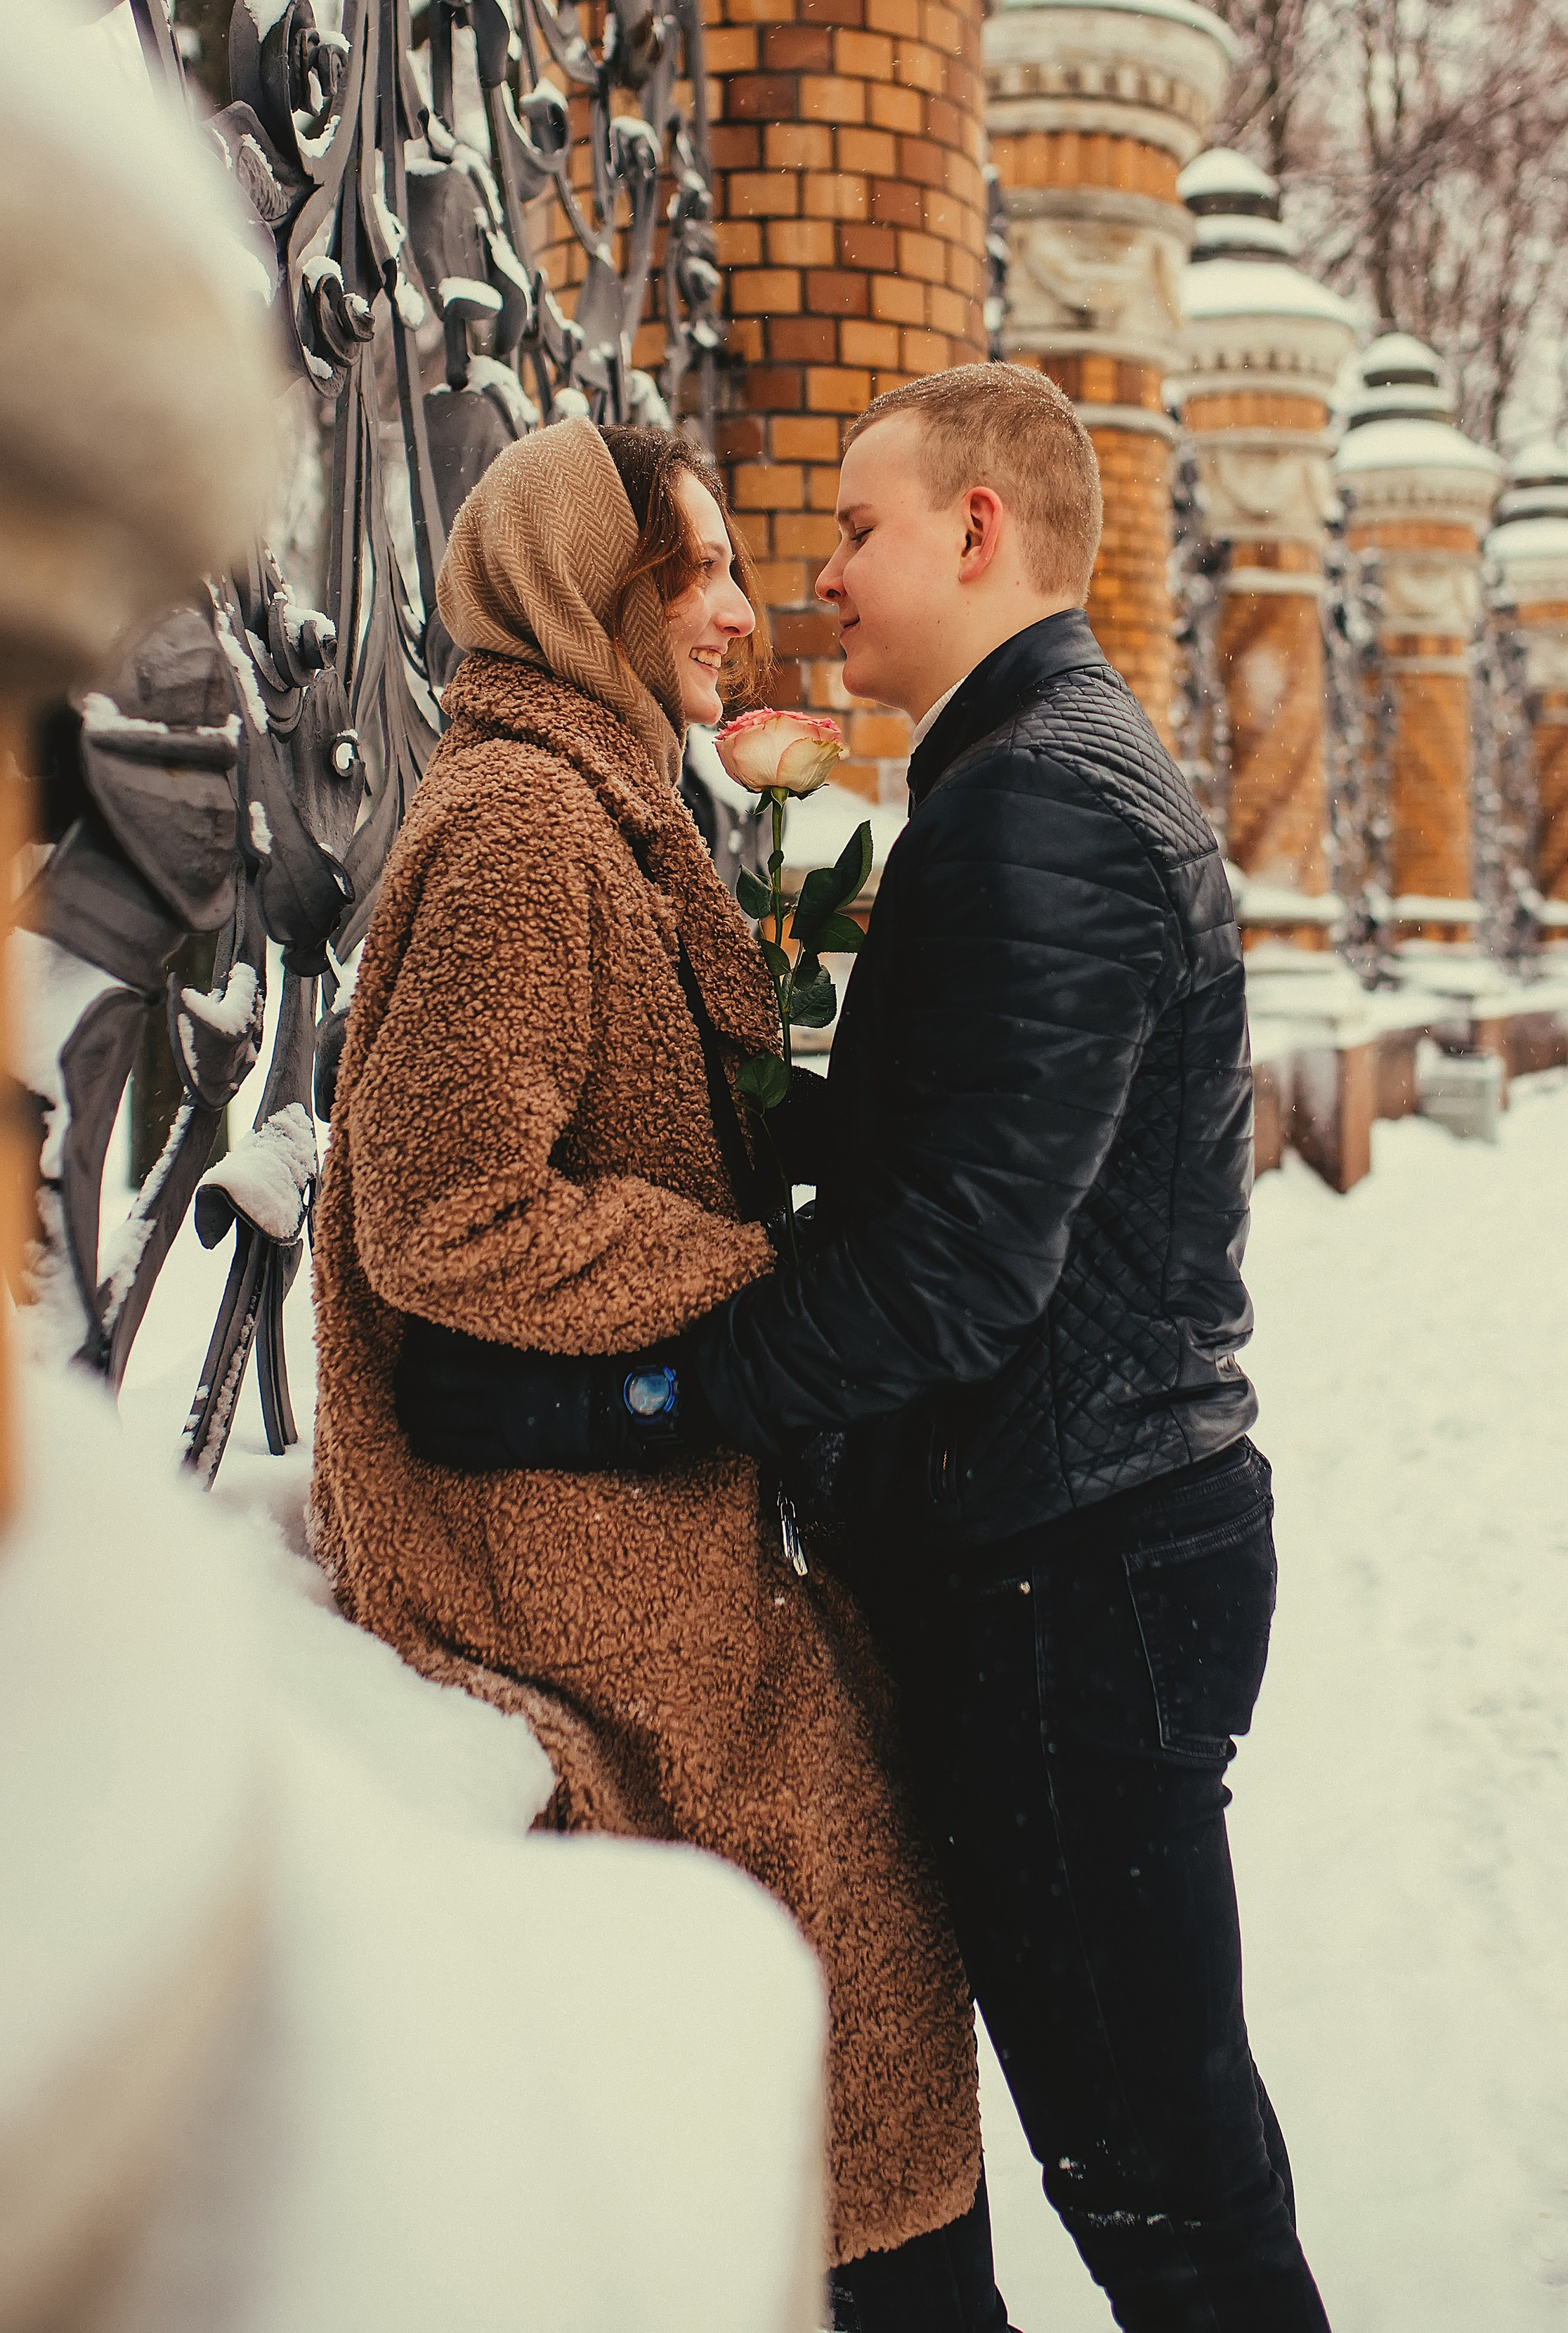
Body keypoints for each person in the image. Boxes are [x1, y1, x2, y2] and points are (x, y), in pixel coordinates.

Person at [624, 364, 1334, 2329]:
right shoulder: (1027, 778)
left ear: (975, 529)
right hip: (1075, 1542)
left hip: (1073, 1572)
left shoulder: (1044, 808)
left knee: (1170, 2199)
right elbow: (963, 1147)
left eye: (857, 528)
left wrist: (647, 1396)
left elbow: (954, 1269)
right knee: (1160, 2167)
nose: (821, 577)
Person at [308, 416, 1014, 2331]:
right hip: (551, 1551)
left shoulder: (603, 801)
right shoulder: (529, 828)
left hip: (626, 1516)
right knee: (847, 1970)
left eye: (720, 567)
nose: (731, 610)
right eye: (682, 572)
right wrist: (758, 1264)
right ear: (575, 594)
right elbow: (445, 1220)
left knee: (852, 1990)